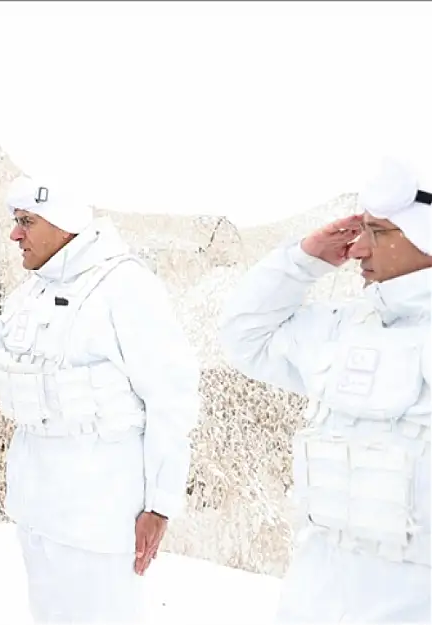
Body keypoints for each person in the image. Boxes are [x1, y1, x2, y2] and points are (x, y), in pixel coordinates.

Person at [0, 178, 200, 623]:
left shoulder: (125, 286)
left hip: (100, 510)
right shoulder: (32, 290)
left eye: (26, 222)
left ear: (65, 225)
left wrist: (160, 504)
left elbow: (172, 398)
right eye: (16, 222)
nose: (15, 235)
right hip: (38, 505)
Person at [219, 157, 431, 622]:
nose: (358, 250)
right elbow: (244, 338)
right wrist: (301, 263)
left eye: (379, 232)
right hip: (311, 605)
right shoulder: (343, 328)